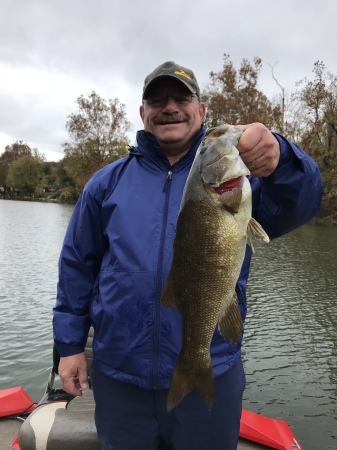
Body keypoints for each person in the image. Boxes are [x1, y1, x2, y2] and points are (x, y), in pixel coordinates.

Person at [53, 61, 323, 450]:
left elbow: (303, 202)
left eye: (182, 98)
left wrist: (281, 156)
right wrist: (70, 346)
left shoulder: (241, 184)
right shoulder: (105, 184)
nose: (170, 107)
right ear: (142, 112)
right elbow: (77, 266)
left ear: (201, 110)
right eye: (157, 100)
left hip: (215, 367)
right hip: (119, 379)